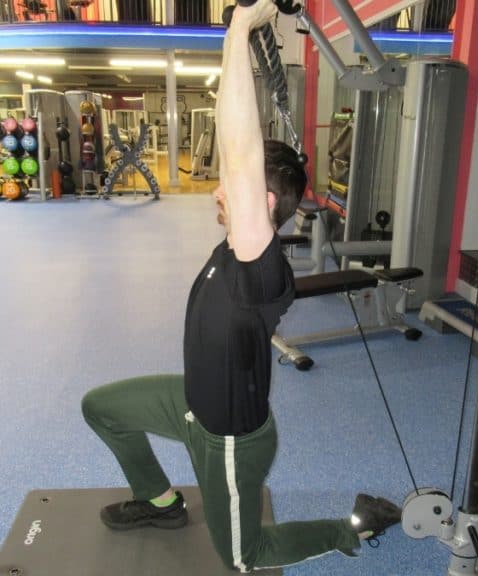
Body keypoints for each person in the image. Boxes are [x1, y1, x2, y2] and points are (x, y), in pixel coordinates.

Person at [80, 0, 399, 570]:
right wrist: (240, 32)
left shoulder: (262, 268)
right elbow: (240, 157)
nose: (217, 192)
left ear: (263, 202)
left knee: (245, 558)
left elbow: (240, 148)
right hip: (190, 404)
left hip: (229, 440)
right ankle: (160, 502)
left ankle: (357, 526)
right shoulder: (233, 248)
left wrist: (240, 28)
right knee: (102, 408)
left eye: (231, 187)